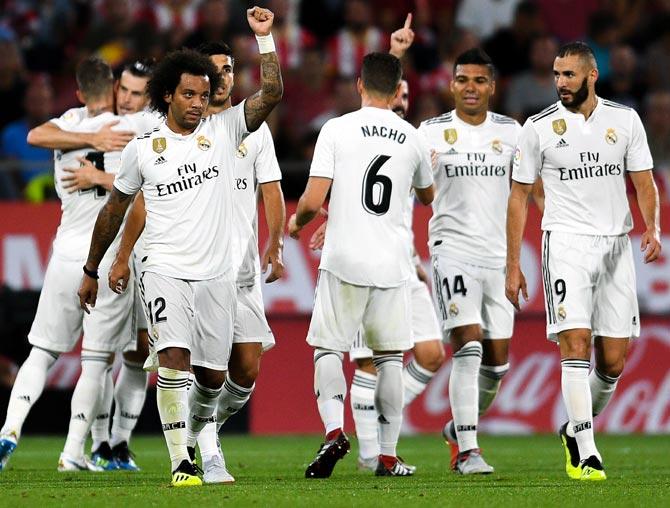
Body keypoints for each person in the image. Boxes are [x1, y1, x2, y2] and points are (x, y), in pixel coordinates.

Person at [77, 7, 283, 487]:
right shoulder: (143, 149)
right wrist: (94, 267)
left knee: (212, 377)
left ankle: (195, 435)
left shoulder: (226, 129)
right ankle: (181, 463)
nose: (197, 102)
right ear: (167, 94)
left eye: (204, 95)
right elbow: (116, 211)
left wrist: (265, 39)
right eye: (188, 94)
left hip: (218, 275)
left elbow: (272, 92)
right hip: (164, 267)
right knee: (173, 357)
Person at [506, 41, 661, 481]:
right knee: (575, 345)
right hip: (566, 244)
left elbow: (645, 182)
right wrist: (512, 264)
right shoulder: (537, 127)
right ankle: (586, 452)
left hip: (616, 245)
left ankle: (574, 427)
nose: (560, 83)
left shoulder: (624, 120)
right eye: (557, 75)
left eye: (569, 75)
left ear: (592, 75)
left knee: (612, 361)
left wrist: (652, 227)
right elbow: (518, 196)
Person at [309, 15, 445, 473]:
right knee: (390, 359)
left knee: (329, 349)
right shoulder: (412, 137)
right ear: (398, 88)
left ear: (358, 83)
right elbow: (427, 196)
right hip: (393, 263)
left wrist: (297, 222)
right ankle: (385, 455)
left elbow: (313, 198)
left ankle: (333, 431)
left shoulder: (336, 128)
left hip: (345, 256)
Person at [0, 57, 137, 473]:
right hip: (106, 256)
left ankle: (9, 429)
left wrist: (82, 139)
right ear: (113, 86)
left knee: (40, 352)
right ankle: (73, 452)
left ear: (78, 92)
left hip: (64, 254)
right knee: (96, 361)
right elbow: (144, 186)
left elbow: (37, 133)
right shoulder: (129, 130)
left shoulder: (63, 127)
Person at [419, 48, 521, 475]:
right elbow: (402, 187)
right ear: (452, 84)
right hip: (451, 252)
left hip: (498, 257)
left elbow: (527, 194)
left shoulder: (513, 132)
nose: (471, 88)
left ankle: (457, 429)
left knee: (496, 365)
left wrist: (517, 263)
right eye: (463, 80)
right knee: (469, 343)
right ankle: (467, 451)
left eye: (480, 81)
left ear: (492, 87)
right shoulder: (429, 133)